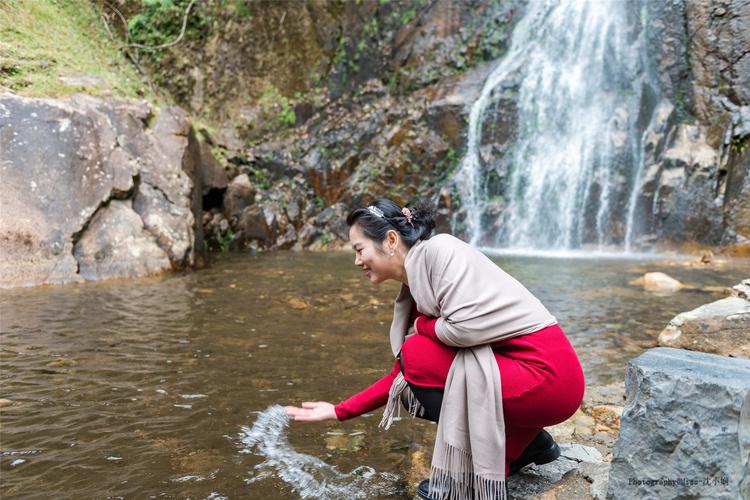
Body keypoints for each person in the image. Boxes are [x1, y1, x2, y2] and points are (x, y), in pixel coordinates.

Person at [285, 199, 585, 500]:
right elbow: (401, 375)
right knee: (409, 382)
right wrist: (340, 410)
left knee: (416, 351)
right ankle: (525, 445)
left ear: (390, 240)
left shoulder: (440, 252)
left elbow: (464, 329)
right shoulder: (417, 284)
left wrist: (424, 326)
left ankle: (471, 476)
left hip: (549, 380)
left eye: (359, 249)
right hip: (530, 378)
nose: (357, 261)